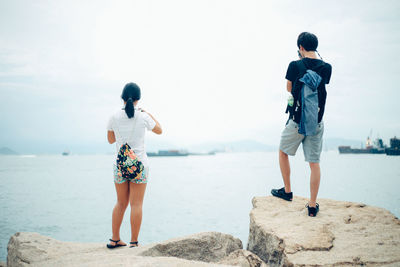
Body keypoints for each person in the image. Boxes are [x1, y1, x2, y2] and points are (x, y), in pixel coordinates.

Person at [271, 32, 332, 217]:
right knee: (314, 163)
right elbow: (322, 85)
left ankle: (288, 192)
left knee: (283, 152)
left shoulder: (295, 65)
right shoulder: (327, 67)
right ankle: (312, 206)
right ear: (316, 46)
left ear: (300, 47)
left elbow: (289, 88)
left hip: (297, 120)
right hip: (316, 122)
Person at [106, 82, 162, 248]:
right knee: (136, 204)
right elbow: (159, 130)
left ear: (122, 97)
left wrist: (122, 134)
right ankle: (134, 243)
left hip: (120, 165)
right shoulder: (143, 116)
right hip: (140, 165)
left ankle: (114, 239)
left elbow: (110, 140)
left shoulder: (114, 116)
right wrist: (149, 113)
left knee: (120, 203)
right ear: (138, 99)